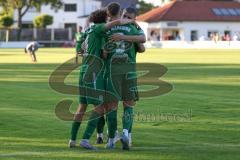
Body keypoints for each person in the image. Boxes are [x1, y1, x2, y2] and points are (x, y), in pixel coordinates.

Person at [75, 9, 135, 150]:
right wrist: (130, 26)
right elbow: (142, 45)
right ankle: (124, 134)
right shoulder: (128, 27)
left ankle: (105, 138)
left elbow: (83, 50)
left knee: (104, 107)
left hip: (102, 73)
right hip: (121, 71)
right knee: (123, 106)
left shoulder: (95, 31)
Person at [104, 2, 146, 150]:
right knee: (128, 106)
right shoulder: (134, 28)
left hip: (112, 72)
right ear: (120, 13)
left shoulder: (109, 27)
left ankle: (111, 139)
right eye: (124, 16)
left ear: (134, 18)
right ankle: (126, 133)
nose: (126, 18)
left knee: (112, 107)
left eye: (129, 17)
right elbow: (142, 42)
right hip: (128, 71)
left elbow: (142, 47)